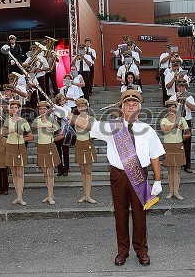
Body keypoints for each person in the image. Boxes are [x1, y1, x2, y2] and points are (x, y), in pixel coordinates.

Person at [55, 89, 164, 266]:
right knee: (120, 215)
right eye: (127, 105)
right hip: (118, 176)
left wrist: (158, 180)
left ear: (139, 108)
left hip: (139, 175)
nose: (131, 108)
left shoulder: (148, 129)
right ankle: (122, 251)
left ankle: (141, 251)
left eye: (134, 105)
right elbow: (88, 125)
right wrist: (67, 114)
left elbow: (155, 157)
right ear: (122, 108)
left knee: (140, 216)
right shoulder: (112, 127)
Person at [2, 99, 33, 206]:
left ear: (19, 108)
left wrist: (22, 138)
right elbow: (2, 132)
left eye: (16, 107)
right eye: (12, 107)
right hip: (10, 146)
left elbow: (31, 136)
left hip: (20, 147)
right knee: (14, 173)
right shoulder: (7, 120)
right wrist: (10, 131)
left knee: (20, 173)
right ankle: (17, 196)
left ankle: (20, 197)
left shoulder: (23, 121)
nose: (14, 109)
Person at [31, 101, 61, 205]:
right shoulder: (37, 120)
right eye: (41, 109)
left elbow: (61, 133)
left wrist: (53, 137)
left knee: (50, 173)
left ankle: (50, 196)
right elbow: (32, 125)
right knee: (45, 173)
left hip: (50, 146)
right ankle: (50, 194)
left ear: (48, 110)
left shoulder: (52, 120)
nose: (42, 111)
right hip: (41, 147)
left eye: (44, 109)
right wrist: (42, 127)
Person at [160, 100, 190, 200]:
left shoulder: (181, 119)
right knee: (169, 170)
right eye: (169, 107)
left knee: (177, 170)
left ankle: (176, 192)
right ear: (167, 109)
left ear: (176, 108)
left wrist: (182, 139)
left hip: (178, 145)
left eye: (173, 107)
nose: (171, 109)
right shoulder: (164, 120)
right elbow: (164, 129)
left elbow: (188, 132)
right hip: (168, 145)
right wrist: (174, 125)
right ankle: (171, 191)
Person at [169, 78, 195, 173]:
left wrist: (185, 101)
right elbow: (169, 110)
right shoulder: (172, 97)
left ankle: (187, 165)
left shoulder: (189, 97)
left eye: (183, 86)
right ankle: (177, 163)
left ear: (185, 87)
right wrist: (177, 99)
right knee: (176, 144)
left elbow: (194, 108)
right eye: (179, 86)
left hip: (187, 121)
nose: (181, 88)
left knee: (187, 144)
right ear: (176, 86)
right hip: (176, 121)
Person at [74, 98, 98, 203]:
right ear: (77, 108)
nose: (81, 108)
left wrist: (92, 135)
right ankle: (85, 194)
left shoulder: (91, 118)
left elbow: (98, 130)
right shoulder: (74, 118)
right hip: (79, 144)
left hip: (88, 143)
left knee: (88, 171)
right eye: (79, 106)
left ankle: (88, 195)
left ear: (86, 107)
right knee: (82, 171)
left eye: (83, 106)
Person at [54, 94, 72, 176]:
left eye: (63, 100)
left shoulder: (67, 108)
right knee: (57, 151)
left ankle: (66, 169)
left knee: (65, 151)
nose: (62, 102)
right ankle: (59, 168)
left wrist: (62, 114)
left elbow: (69, 120)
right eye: (60, 100)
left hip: (65, 131)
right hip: (56, 132)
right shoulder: (54, 109)